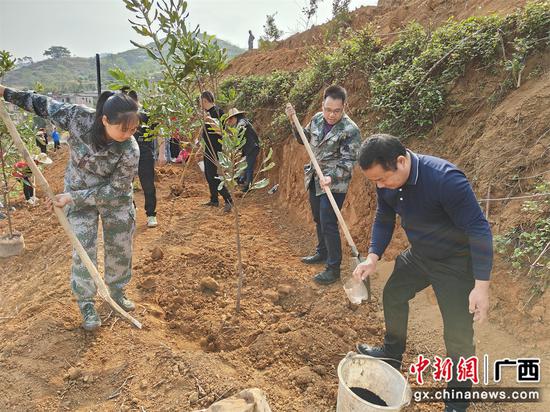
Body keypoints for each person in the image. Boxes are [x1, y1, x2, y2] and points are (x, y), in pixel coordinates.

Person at [353, 134, 493, 412]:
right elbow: (384, 215)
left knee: (457, 334)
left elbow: (479, 229)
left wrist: (481, 286)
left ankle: (457, 402)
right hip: (420, 255)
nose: (380, 186)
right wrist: (372, 257)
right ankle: (392, 355)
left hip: (455, 263)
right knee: (393, 293)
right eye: (375, 182)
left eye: (382, 179)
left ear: (401, 161)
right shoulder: (386, 182)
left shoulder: (445, 180)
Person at [1, 83, 141, 332]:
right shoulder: (78, 117)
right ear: (105, 119)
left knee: (120, 245)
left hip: (112, 199)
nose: (129, 133)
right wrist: (5, 93)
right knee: (83, 247)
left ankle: (117, 291)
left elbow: (116, 190)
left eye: (134, 128)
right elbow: (42, 104)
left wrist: (73, 198)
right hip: (76, 190)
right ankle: (86, 302)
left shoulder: (130, 149)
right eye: (124, 128)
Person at [285, 85, 361, 285]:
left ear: (344, 106)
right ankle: (322, 252)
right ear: (323, 105)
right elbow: (304, 139)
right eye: (328, 109)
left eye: (336, 110)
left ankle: (333, 268)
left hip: (334, 183)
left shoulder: (350, 130)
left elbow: (348, 162)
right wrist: (293, 122)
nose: (331, 115)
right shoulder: (318, 118)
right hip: (314, 177)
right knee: (318, 218)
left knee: (328, 221)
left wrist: (331, 177)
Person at [127, 90, 158, 228]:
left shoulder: (147, 114)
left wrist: (160, 154)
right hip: (128, 156)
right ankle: (131, 209)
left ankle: (151, 214)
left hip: (145, 154)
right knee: (127, 184)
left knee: (148, 185)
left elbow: (157, 132)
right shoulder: (126, 115)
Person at [199, 90, 233, 213]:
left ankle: (228, 199)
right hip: (208, 148)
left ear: (204, 101)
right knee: (208, 174)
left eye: (200, 102)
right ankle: (214, 200)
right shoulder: (207, 113)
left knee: (213, 176)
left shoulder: (218, 112)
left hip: (214, 149)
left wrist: (209, 120)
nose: (200, 104)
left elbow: (221, 131)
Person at [225, 108, 260, 192]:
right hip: (249, 148)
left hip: (252, 147)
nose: (230, 123)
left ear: (234, 118)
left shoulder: (242, 122)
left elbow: (241, 127)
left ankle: (248, 187)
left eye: (230, 120)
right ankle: (241, 180)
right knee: (245, 166)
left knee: (249, 167)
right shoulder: (241, 122)